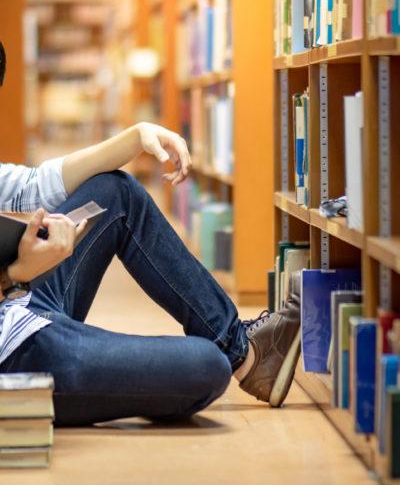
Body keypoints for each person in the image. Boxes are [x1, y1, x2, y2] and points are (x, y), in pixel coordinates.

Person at [0, 42, 301, 426]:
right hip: (16, 355)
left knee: (117, 192)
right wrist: (16, 276)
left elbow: (32, 185)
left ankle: (242, 350)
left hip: (25, 301)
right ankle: (235, 356)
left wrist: (136, 137)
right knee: (205, 367)